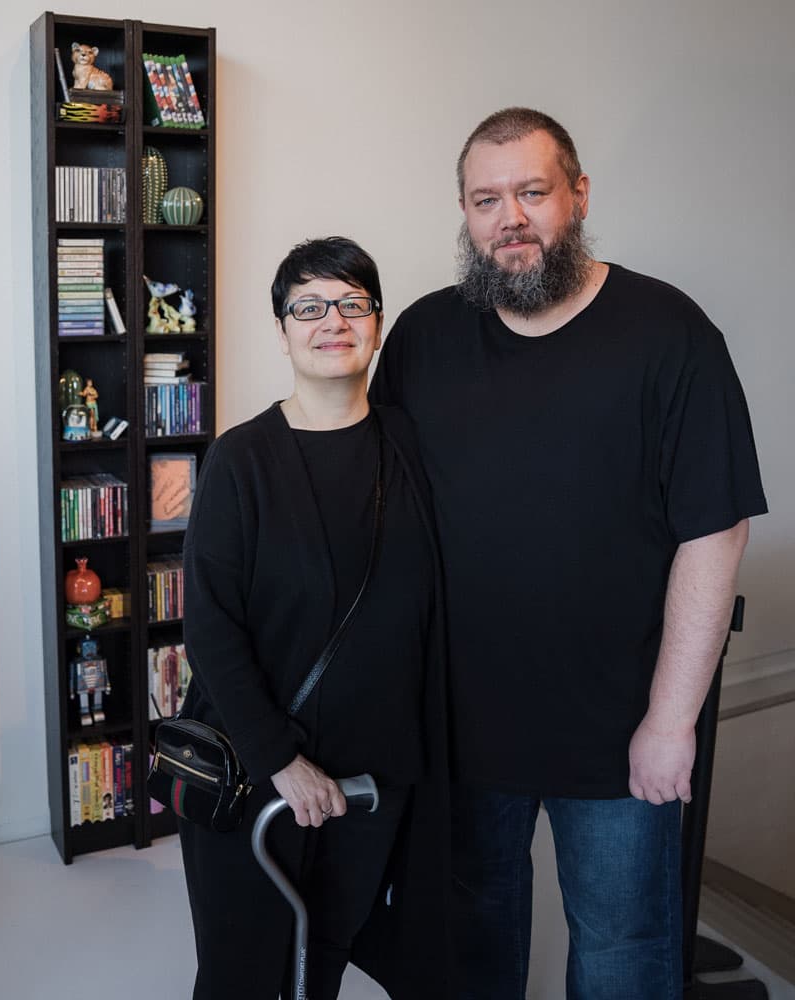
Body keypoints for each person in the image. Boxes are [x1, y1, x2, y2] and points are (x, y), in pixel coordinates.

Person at [370, 107, 768, 999]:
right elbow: (370, 497)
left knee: (624, 954)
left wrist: (670, 725)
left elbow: (716, 529)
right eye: (485, 198)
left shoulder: (672, 336)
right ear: (465, 214)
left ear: (578, 195)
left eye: (531, 191)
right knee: (469, 948)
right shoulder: (426, 339)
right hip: (461, 733)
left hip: (619, 735)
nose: (508, 216)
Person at [178, 237, 450, 1000]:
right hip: (266, 775)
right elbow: (211, 626)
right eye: (309, 306)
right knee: (247, 970)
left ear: (377, 321)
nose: (332, 320)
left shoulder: (409, 443)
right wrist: (280, 761)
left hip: (379, 776)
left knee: (322, 957)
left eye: (351, 303)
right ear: (282, 329)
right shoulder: (242, 460)